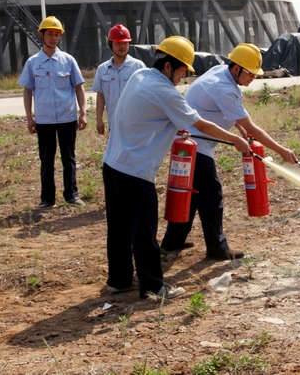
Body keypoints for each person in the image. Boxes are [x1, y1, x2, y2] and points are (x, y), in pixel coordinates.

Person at [102, 36, 251, 298]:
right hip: (135, 171)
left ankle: (120, 279)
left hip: (113, 163)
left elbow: (151, 115)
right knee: (144, 229)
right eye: (183, 71)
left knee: (119, 227)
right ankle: (153, 286)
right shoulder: (165, 91)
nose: (183, 78)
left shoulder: (140, 76)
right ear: (169, 66)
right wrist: (235, 139)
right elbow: (201, 124)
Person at [161, 43, 298, 260]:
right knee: (211, 194)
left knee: (192, 192)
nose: (253, 77)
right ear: (236, 69)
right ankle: (217, 248)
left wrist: (240, 128)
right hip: (195, 144)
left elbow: (228, 113)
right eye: (250, 73)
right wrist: (281, 151)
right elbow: (252, 126)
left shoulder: (220, 72)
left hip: (185, 141)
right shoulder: (224, 89)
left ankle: (172, 242)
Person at [18, 16, 87, 210]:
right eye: (50, 34)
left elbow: (79, 87)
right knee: (46, 160)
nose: (54, 38)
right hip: (44, 120)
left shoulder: (68, 60)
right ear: (41, 35)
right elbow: (27, 90)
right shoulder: (33, 63)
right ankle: (47, 199)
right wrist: (29, 117)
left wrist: (83, 112)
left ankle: (72, 195)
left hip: (67, 118)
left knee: (69, 158)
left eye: (57, 34)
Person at [91, 24, 146, 135]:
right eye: (118, 43)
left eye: (125, 43)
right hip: (114, 124)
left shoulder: (138, 66)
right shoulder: (103, 69)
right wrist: (99, 120)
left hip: (135, 124)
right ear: (110, 44)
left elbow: (146, 95)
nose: (122, 46)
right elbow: (100, 96)